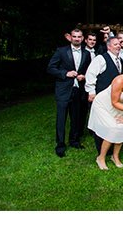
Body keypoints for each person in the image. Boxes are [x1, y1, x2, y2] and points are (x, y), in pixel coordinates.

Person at [47, 28, 92, 156]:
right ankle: (60, 145)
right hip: (63, 90)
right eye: (74, 36)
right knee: (61, 118)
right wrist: (65, 73)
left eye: (79, 37)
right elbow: (50, 68)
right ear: (70, 37)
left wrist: (83, 76)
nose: (77, 38)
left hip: (78, 90)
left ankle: (74, 140)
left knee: (76, 117)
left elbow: (88, 70)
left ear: (83, 38)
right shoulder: (61, 51)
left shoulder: (86, 53)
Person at [89, 65, 123, 170]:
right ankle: (100, 158)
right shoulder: (119, 80)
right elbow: (114, 102)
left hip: (118, 107)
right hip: (103, 105)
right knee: (112, 129)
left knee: (120, 127)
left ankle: (115, 156)